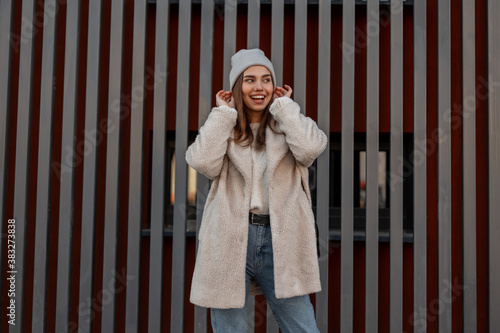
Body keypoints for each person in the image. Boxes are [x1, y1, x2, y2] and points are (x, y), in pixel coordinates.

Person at [186, 48, 327, 332]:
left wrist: (286, 109)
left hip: (281, 239)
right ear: (238, 87)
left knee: (303, 327)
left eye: (265, 79)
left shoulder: (287, 125)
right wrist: (223, 115)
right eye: (249, 80)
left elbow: (311, 149)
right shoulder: (225, 128)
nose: (259, 87)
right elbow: (201, 161)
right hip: (230, 237)